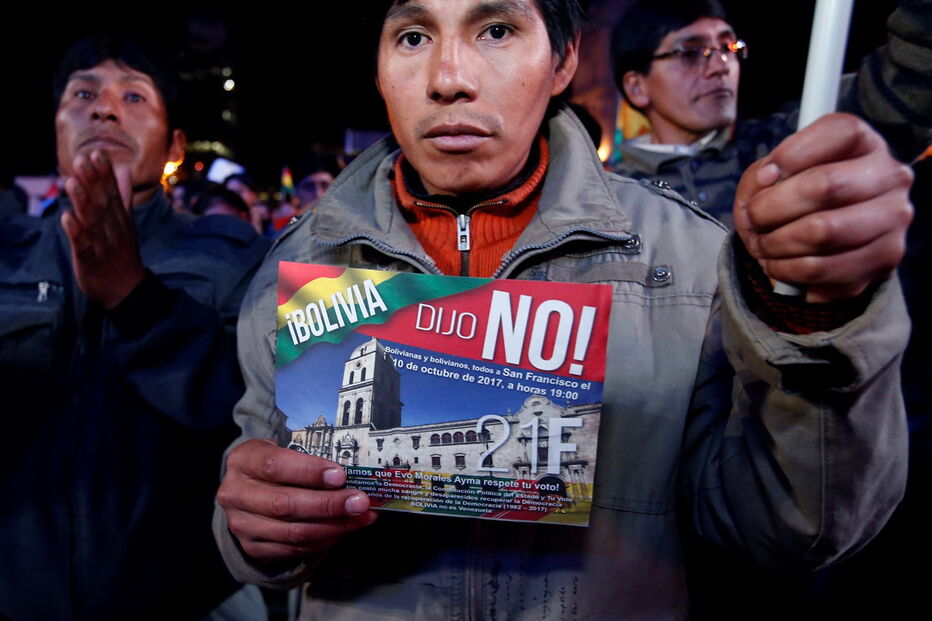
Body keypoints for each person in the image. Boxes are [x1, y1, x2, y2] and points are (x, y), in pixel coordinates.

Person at [213, 1, 913, 618]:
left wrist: (817, 323)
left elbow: (795, 528)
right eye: (413, 36)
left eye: (495, 28)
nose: (449, 77)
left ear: (564, 60)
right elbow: (257, 510)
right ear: (377, 65)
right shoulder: (296, 268)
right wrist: (255, 527)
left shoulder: (693, 261)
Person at [0, 35, 270, 620]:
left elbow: (261, 413)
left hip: (187, 602)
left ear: (173, 144)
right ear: (54, 128)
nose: (104, 109)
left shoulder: (234, 257)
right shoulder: (8, 256)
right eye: (83, 93)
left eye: (133, 96)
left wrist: (136, 299)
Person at [610, 0, 932, 226]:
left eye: (728, 48)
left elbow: (902, 92)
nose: (720, 66)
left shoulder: (789, 143)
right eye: (692, 53)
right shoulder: (608, 194)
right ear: (637, 87)